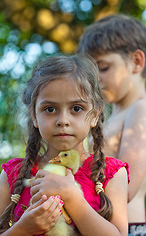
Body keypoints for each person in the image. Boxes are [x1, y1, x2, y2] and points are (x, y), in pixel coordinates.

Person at [0, 54, 129, 236]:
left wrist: (71, 197)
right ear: (34, 115)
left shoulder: (111, 174)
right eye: (50, 109)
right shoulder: (12, 174)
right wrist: (23, 228)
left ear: (94, 114)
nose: (63, 120)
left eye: (77, 108)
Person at [77, 14, 146, 235]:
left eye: (103, 68)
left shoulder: (143, 110)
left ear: (136, 62)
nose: (96, 80)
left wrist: (69, 193)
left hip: (128, 229)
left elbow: (127, 187)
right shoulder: (113, 116)